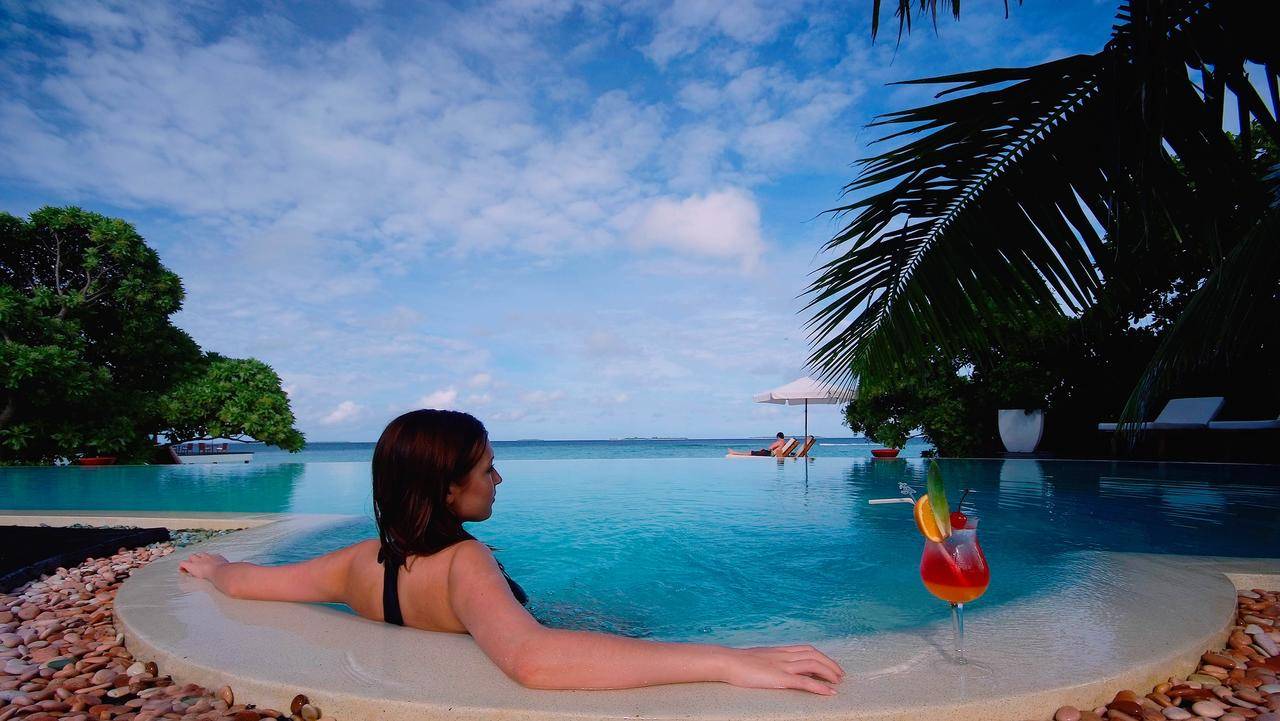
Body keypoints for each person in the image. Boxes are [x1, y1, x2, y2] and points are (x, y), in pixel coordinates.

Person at [178, 410, 844, 695]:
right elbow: (532, 659)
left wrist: (216, 568)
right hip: (542, 634)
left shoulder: (356, 563)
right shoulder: (465, 564)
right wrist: (725, 660)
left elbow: (250, 584)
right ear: (448, 487)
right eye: (487, 468)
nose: (499, 478)